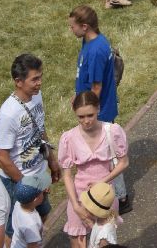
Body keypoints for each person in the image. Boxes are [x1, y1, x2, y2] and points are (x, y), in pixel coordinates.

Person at [58, 91, 129, 248]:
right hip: (80, 196)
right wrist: (75, 205)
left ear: (98, 108)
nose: (86, 121)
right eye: (81, 117)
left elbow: (123, 162)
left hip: (105, 195)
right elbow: (67, 175)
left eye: (90, 115)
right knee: (77, 240)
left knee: (105, 240)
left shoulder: (112, 131)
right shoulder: (69, 138)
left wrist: (101, 182)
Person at [0, 53, 55, 231]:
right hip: (18, 181)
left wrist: (52, 160)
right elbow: (2, 158)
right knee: (16, 229)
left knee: (43, 213)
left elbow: (41, 129)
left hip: (39, 173)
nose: (39, 82)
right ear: (18, 81)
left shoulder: (37, 96)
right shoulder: (7, 115)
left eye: (40, 77)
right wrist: (26, 186)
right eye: (34, 79)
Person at [68, 7, 119, 133]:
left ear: (84, 26)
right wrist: (77, 94)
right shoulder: (90, 40)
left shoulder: (96, 51)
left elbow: (97, 87)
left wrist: (87, 113)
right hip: (91, 105)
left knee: (102, 150)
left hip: (99, 114)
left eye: (72, 26)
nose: (71, 29)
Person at [8, 168, 51, 248]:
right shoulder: (31, 224)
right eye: (41, 191)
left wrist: (42, 193)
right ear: (36, 199)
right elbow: (33, 246)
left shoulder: (18, 204)